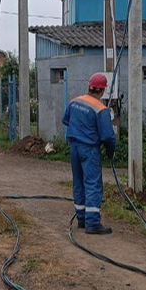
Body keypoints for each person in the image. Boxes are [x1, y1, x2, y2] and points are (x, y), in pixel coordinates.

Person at [62, 73, 116, 235]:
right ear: (103, 90)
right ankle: (92, 223)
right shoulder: (101, 109)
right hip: (89, 150)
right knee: (92, 183)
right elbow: (107, 136)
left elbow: (66, 120)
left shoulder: (74, 101)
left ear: (89, 86)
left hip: (74, 148)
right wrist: (110, 151)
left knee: (78, 182)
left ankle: (82, 219)